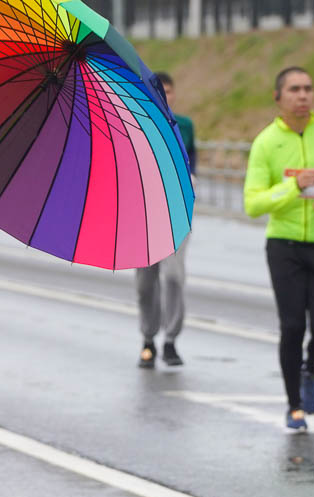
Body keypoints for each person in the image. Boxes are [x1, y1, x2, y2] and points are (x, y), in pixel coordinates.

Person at [244, 67, 314, 430]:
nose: (303, 95)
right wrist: (294, 187)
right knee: (293, 326)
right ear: (278, 97)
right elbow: (253, 204)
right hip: (285, 245)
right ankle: (294, 405)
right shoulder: (266, 142)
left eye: (308, 88)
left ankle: (309, 370)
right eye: (294, 89)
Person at [137, 71, 195, 369]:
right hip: (142, 212)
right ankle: (148, 339)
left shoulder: (184, 126)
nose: (165, 96)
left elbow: (191, 161)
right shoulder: (136, 124)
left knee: (173, 276)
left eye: (169, 91)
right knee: (146, 281)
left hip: (178, 210)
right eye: (160, 91)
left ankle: (171, 340)